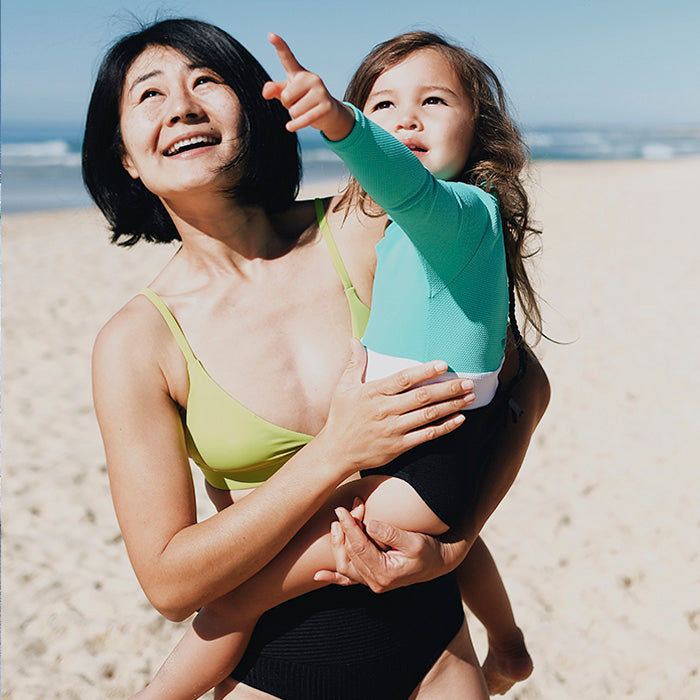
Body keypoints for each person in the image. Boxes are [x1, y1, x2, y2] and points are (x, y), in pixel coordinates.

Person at [122, 28, 545, 700]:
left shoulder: (370, 223)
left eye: (205, 81)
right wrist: (335, 451)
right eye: (150, 94)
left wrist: (455, 545)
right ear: (122, 156)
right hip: (276, 669)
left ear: (260, 109)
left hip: (437, 659)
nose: (181, 106)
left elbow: (524, 386)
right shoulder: (136, 342)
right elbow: (171, 586)